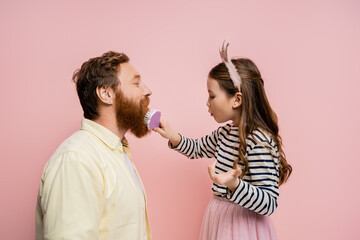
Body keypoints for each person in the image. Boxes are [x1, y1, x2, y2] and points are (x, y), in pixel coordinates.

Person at [154, 42, 292, 240]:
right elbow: (196, 148)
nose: (207, 103)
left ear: (237, 99)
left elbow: (269, 203)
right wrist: (173, 136)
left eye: (212, 96)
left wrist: (235, 184)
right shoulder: (225, 133)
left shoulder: (259, 140)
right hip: (219, 219)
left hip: (243, 226)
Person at [35, 51, 152, 239]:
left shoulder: (118, 153)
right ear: (106, 94)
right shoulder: (76, 159)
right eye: (136, 83)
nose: (147, 90)